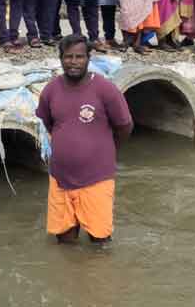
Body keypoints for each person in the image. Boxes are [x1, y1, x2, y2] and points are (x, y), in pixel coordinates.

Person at [36, 35, 133, 244]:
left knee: (100, 242)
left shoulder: (104, 89)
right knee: (64, 240)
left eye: (79, 57)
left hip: (96, 178)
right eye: (68, 56)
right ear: (60, 59)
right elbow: (47, 121)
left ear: (89, 58)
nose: (73, 61)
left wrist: (104, 150)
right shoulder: (51, 90)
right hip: (60, 178)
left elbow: (124, 126)